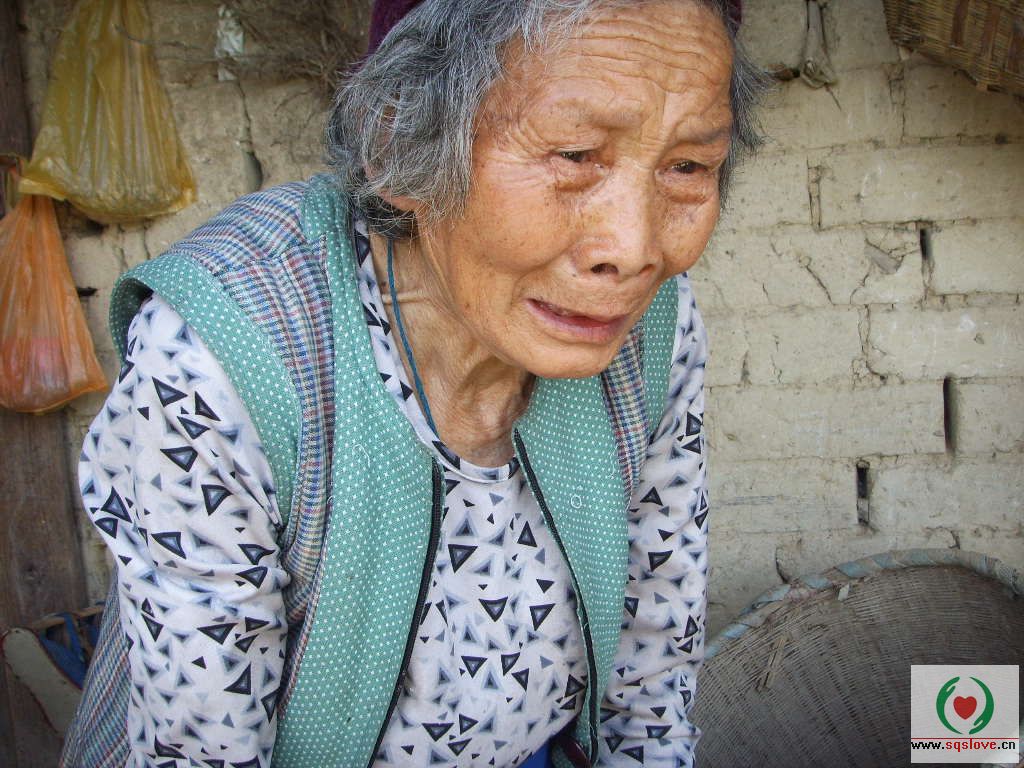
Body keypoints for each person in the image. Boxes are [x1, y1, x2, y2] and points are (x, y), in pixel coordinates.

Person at [64, 1, 766, 766]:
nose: (633, 250)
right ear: (398, 140)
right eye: (573, 155)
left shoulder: (650, 325)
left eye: (688, 166)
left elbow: (654, 668)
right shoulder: (225, 350)